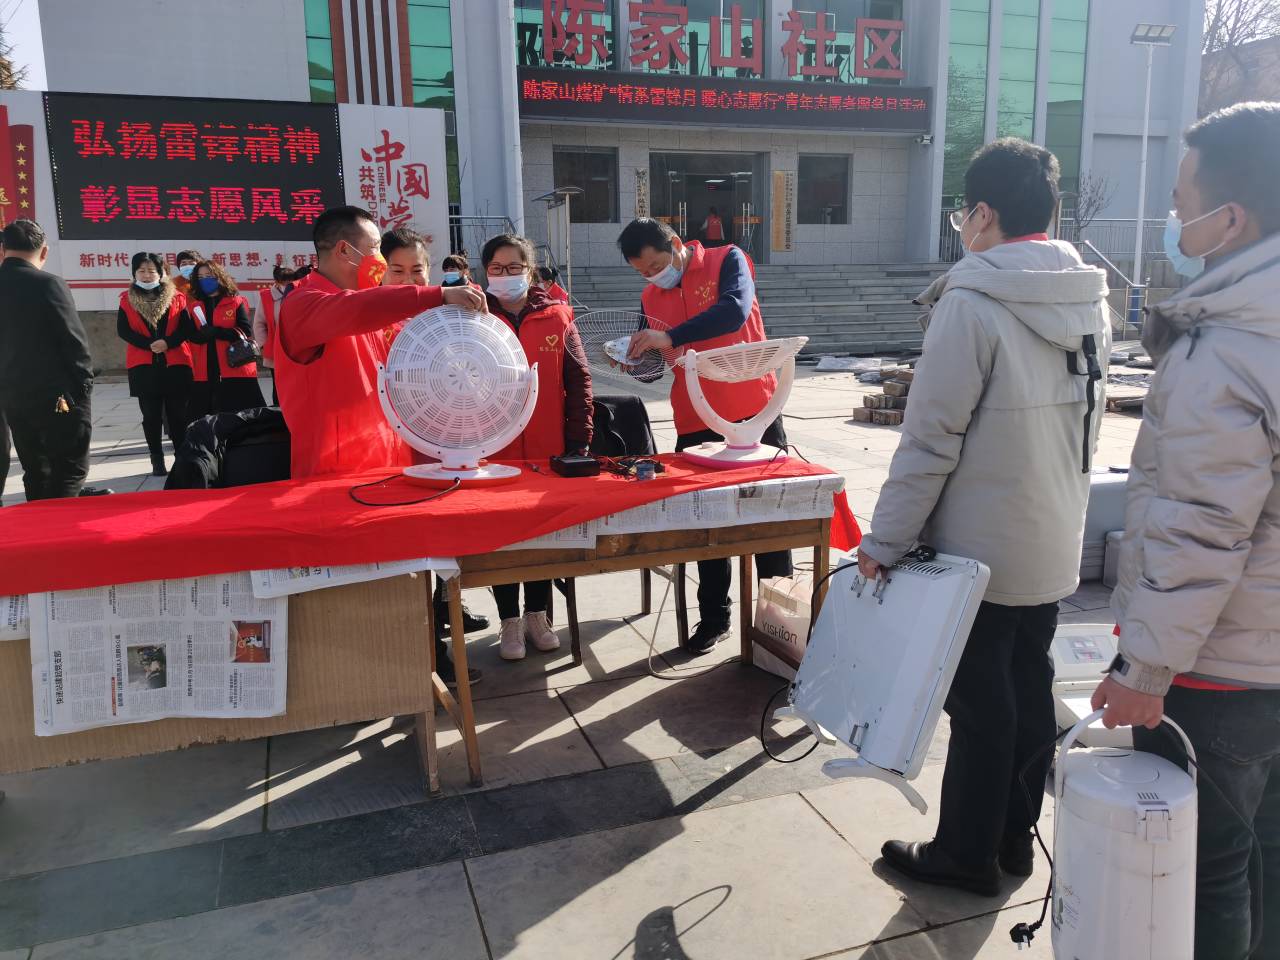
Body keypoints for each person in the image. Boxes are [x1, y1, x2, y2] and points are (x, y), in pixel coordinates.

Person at [858, 139, 1110, 896]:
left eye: (964, 212)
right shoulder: (1088, 295)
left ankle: (965, 853)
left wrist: (885, 540)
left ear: (982, 214)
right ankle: (1013, 841)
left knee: (979, 704)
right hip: (1054, 532)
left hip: (978, 549)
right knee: (1028, 687)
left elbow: (929, 440)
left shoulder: (970, 303)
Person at [1092, 102, 1280, 960]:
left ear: (1230, 220)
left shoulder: (1226, 348)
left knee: (1205, 872)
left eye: (1180, 204)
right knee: (1267, 859)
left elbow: (1202, 526)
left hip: (1221, 669)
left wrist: (1146, 668)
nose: (1173, 221)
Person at [275, 206, 485, 683]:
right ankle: (364, 683)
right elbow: (357, 311)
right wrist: (437, 293)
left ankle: (424, 662)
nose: (381, 264)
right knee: (355, 592)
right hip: (335, 480)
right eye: (376, 251)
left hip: (390, 468)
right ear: (344, 251)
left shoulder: (364, 308)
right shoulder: (305, 304)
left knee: (410, 577)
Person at [617, 216, 790, 655]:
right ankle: (714, 618)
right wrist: (634, 361)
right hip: (695, 418)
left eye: (656, 265)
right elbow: (657, 363)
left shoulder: (727, 259)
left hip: (753, 410)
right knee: (706, 525)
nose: (653, 276)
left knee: (770, 519)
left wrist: (670, 335)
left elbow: (734, 312)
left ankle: (781, 622)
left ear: (676, 244)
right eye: (642, 272)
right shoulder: (650, 295)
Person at [481, 234, 593, 660]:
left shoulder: (558, 316)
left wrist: (579, 441)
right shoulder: (472, 317)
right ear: (485, 271)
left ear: (530, 272)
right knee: (502, 536)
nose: (505, 275)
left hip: (547, 449)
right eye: (497, 268)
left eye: (514, 268)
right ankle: (509, 620)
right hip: (494, 450)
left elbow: (578, 381)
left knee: (542, 534)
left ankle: (537, 615)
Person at [380, 225, 492, 642]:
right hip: (392, 444)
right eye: (397, 271)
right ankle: (423, 630)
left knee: (447, 531)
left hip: (441, 438)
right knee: (408, 541)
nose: (408, 280)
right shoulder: (373, 318)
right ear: (380, 271)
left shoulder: (443, 317)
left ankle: (448, 604)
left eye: (417, 271)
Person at [0, 219, 94, 501]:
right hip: (57, 398)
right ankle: (60, 526)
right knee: (69, 470)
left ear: (3, 250)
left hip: (12, 398)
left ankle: (38, 525)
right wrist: (84, 387)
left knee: (36, 470)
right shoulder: (48, 284)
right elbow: (73, 340)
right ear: (44, 251)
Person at [116, 252, 192, 476]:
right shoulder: (126, 299)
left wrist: (168, 342)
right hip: (143, 366)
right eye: (141, 271)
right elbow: (123, 330)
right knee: (151, 416)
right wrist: (149, 345)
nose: (147, 275)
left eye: (151, 271)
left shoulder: (177, 297)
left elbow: (186, 328)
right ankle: (157, 460)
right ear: (134, 273)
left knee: (178, 416)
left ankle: (182, 457)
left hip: (175, 363)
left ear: (160, 273)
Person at [182, 260, 265, 418]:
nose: (205, 280)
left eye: (208, 275)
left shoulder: (235, 301)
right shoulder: (194, 306)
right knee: (206, 417)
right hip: (206, 369)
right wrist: (203, 335)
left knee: (241, 415)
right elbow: (191, 336)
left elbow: (245, 330)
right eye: (200, 277)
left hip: (235, 365)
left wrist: (217, 332)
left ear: (219, 276)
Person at [253, 264, 310, 407]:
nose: (287, 285)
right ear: (277, 282)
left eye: (290, 281)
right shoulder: (266, 296)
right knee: (278, 386)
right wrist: (264, 345)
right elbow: (259, 324)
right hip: (275, 351)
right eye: (284, 282)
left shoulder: (299, 292)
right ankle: (279, 413)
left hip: (297, 350)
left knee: (299, 386)